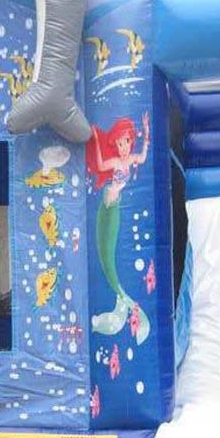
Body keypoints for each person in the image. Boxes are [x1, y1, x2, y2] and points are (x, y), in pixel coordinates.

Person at [85, 113, 150, 344]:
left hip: (115, 205)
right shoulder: (115, 162)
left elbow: (143, 157)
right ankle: (122, 298)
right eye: (120, 143)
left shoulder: (130, 159)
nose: (123, 147)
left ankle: (122, 300)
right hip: (108, 203)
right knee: (105, 248)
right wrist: (95, 140)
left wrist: (147, 132)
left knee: (109, 250)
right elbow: (101, 165)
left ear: (131, 142)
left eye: (126, 142)